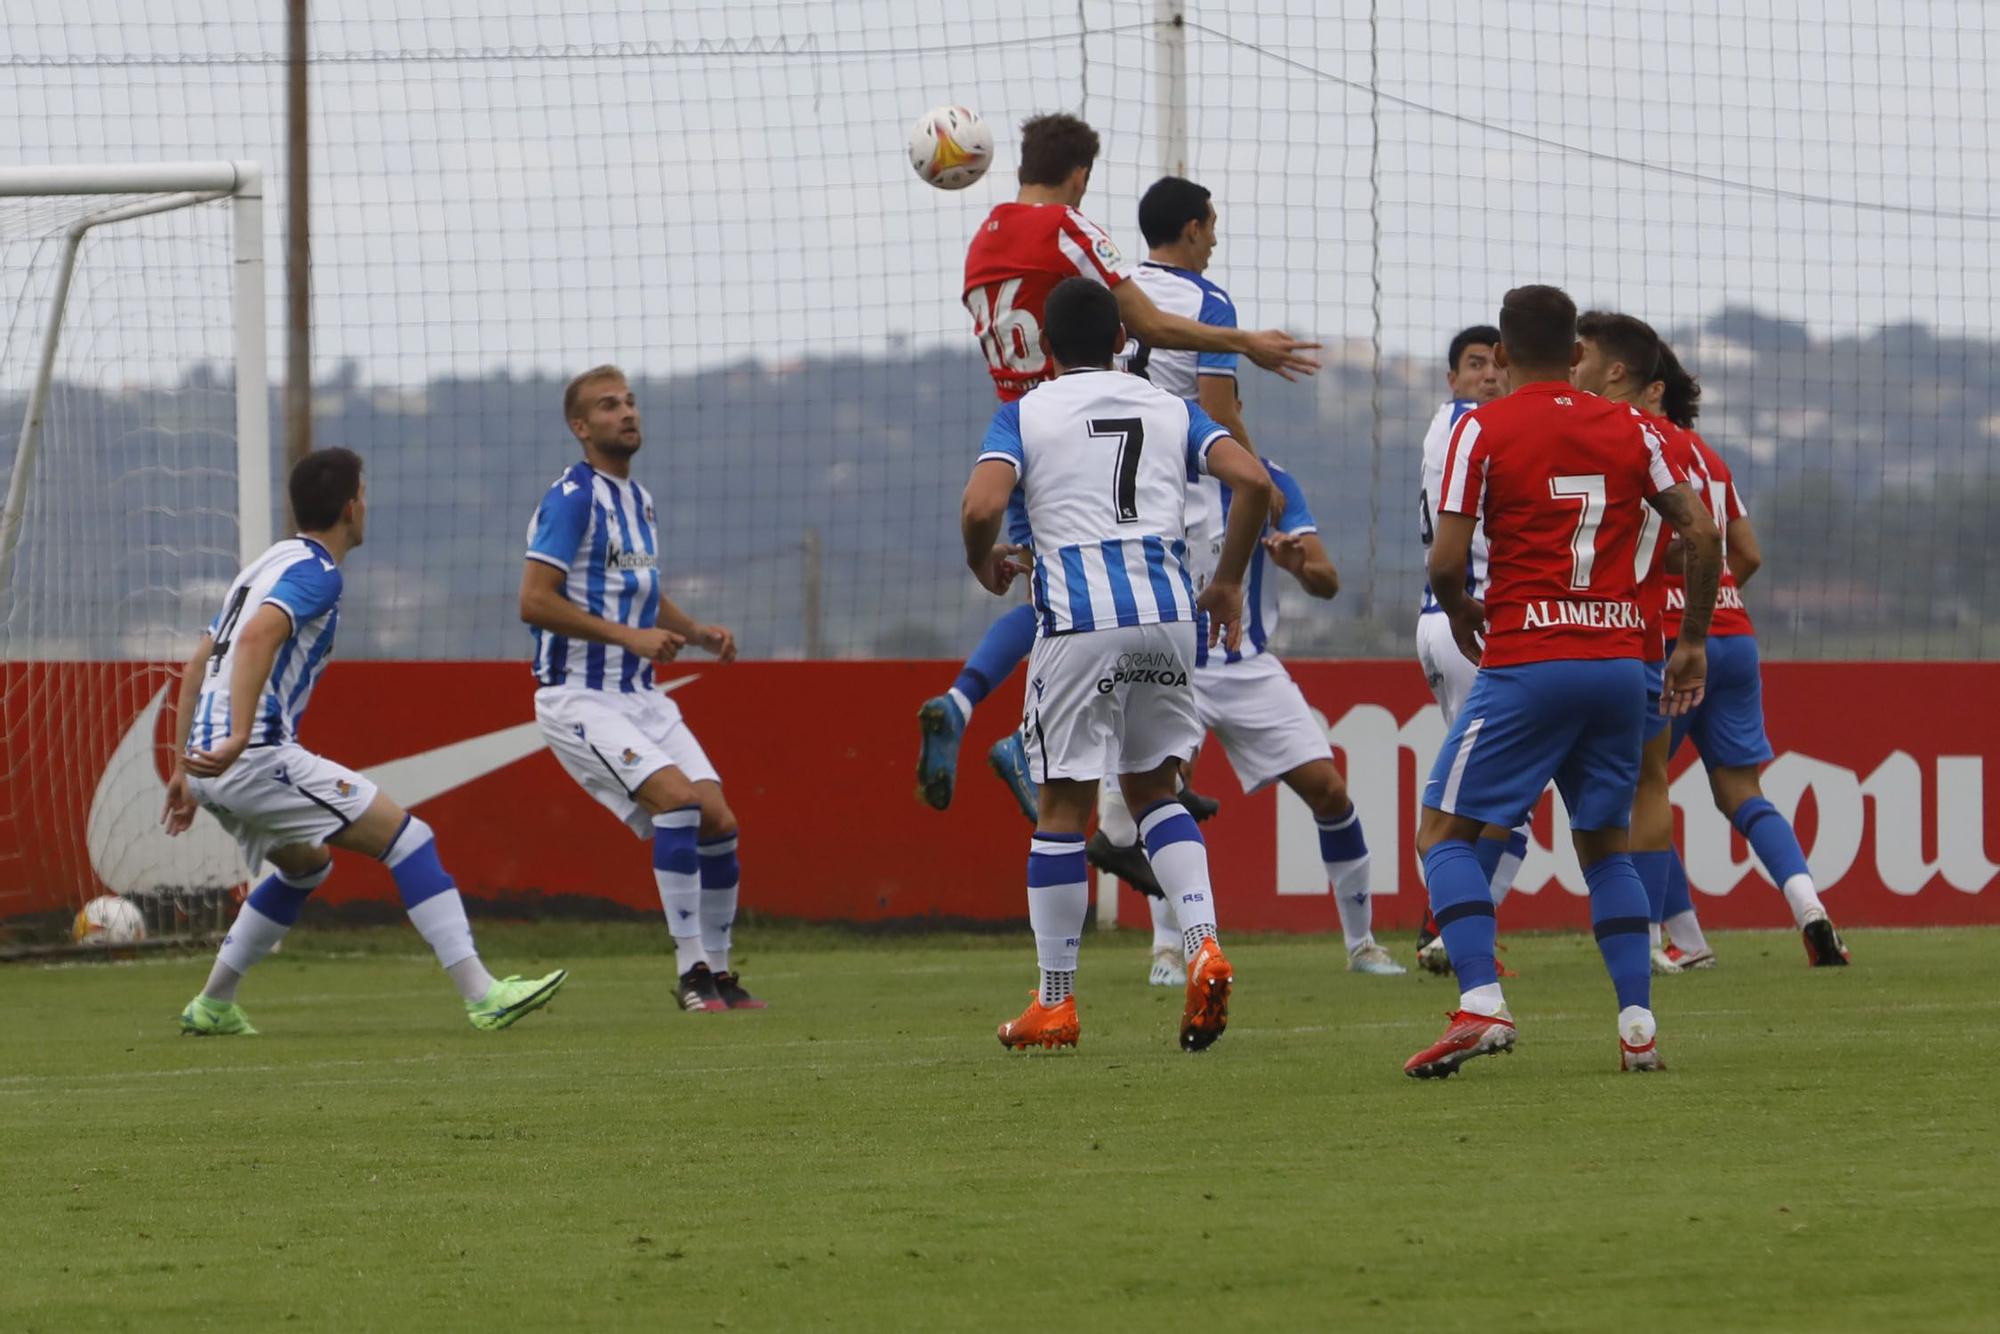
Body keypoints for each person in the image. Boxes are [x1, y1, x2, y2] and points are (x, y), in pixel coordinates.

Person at [916, 114, 1319, 815]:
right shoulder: (1070, 229)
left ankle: (1028, 725)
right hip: (1079, 438)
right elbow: (1148, 324)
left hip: (1018, 439)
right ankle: (1126, 762)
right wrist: (1242, 341)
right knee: (1140, 593)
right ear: (1080, 177)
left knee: (1055, 594)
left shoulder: (980, 245)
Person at [1405, 284, 1722, 1079]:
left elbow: (1445, 561)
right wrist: (1690, 643)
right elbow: (1701, 531)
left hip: (1529, 660)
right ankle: (1638, 1026)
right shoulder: (1632, 428)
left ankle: (1481, 1005)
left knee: (1442, 834)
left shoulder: (1481, 428)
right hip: (1622, 666)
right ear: (1576, 354)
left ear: (1503, 355)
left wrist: (1460, 607)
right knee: (1605, 845)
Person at [1091, 174, 1402, 983]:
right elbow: (1223, 411)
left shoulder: (1114, 293)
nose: (1217, 237)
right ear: (1193, 230)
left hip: (1239, 657)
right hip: (1177, 648)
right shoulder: (1206, 313)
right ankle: (1169, 951)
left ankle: (1363, 944)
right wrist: (1239, 462)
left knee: (1328, 789)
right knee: (1161, 792)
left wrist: (1298, 557)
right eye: (1214, 225)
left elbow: (1326, 577)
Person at [959, 276, 1273, 1052]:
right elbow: (1255, 483)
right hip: (1168, 619)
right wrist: (1227, 581)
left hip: (1079, 623)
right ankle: (1202, 943)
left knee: (1062, 810)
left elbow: (979, 506)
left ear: (1048, 350)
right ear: (1124, 342)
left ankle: (1056, 1004)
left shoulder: (1025, 411)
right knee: (1155, 790)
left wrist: (983, 563)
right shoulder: (1173, 409)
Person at [165, 449, 568, 1035]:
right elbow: (254, 639)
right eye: (365, 494)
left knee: (305, 866)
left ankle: (213, 1005)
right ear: (352, 506)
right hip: (251, 756)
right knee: (410, 841)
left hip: (211, 767)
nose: (367, 506)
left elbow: (199, 661)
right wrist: (241, 735)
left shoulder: (265, 565)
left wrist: (183, 768)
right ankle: (484, 995)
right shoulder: (316, 573)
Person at [519, 366, 759, 1014]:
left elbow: (639, 592)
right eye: (607, 406)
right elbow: (534, 602)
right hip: (578, 696)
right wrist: (629, 638)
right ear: (580, 427)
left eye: (629, 402)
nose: (626, 413)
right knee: (677, 804)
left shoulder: (639, 499)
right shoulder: (571, 498)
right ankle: (690, 973)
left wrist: (695, 632)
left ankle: (721, 974)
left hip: (642, 695)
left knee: (720, 820)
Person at [1651, 347, 1850, 967]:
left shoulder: (1641, 447)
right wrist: (1711, 603)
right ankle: (1809, 907)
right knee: (1742, 792)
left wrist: (1681, 609)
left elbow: (1647, 554)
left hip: (1671, 637)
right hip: (1733, 633)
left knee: (1639, 785)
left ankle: (1686, 940)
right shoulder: (1710, 458)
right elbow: (1749, 554)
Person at [1573, 310, 1696, 975]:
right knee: (1649, 787)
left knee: (1504, 788)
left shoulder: (1577, 432)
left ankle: (1459, 932)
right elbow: (1689, 545)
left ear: (1614, 369)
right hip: (1638, 639)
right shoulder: (1671, 443)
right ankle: (1647, 936)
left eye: (1582, 353)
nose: (1572, 362)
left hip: (1556, 632)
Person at [1413, 324, 1515, 973]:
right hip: (1470, 621)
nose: (1487, 375)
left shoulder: (1446, 424)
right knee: (1500, 796)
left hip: (1444, 620)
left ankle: (1449, 929)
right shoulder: (1477, 425)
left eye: (1495, 365)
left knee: (1487, 796)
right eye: (1474, 364)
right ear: (1453, 377)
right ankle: (1451, 933)